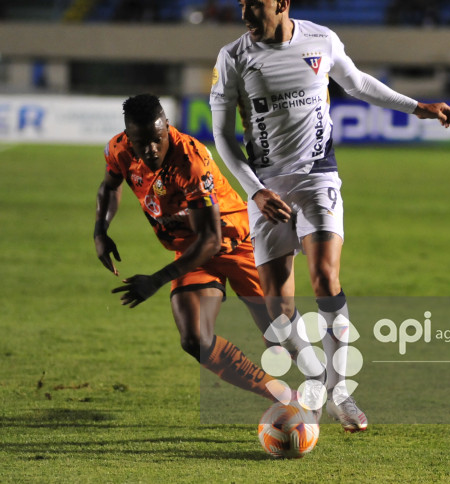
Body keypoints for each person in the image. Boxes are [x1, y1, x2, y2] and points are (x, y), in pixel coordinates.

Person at [210, 0, 450, 432]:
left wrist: (416, 107)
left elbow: (358, 82)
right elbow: (222, 136)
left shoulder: (321, 40)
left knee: (325, 278)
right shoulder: (233, 58)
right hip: (266, 188)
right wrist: (256, 192)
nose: (244, 12)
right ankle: (318, 381)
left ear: (281, 3)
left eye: (253, 4)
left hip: (318, 176)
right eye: (241, 3)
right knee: (279, 319)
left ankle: (340, 393)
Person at [94, 93, 321, 412]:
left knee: (279, 333)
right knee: (194, 340)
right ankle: (283, 396)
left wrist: (156, 280)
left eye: (157, 140)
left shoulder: (190, 159)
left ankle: (326, 384)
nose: (151, 150)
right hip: (192, 250)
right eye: (141, 142)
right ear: (128, 137)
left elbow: (211, 239)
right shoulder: (119, 150)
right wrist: (100, 231)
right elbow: (109, 186)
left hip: (236, 241)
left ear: (167, 128)